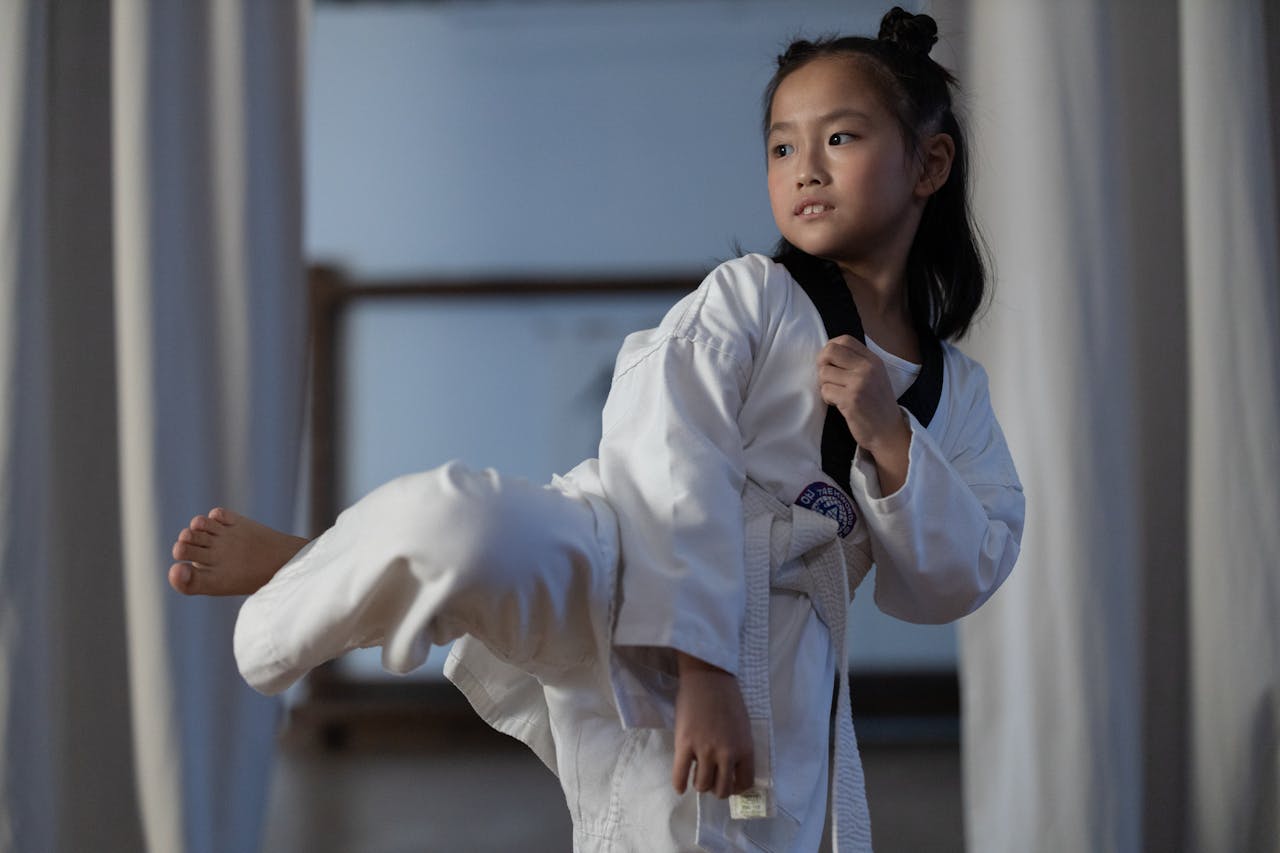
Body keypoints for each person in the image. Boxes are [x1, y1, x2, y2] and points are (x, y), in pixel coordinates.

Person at [168, 8, 1024, 851]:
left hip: (786, 660)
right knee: (457, 521)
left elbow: (958, 575)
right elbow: (667, 444)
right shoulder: (751, 297)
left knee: (701, 834)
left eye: (840, 138)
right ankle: (318, 565)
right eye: (781, 145)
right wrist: (705, 665)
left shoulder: (957, 392)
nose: (806, 167)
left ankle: (329, 560)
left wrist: (892, 440)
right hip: (626, 556)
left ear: (929, 163)